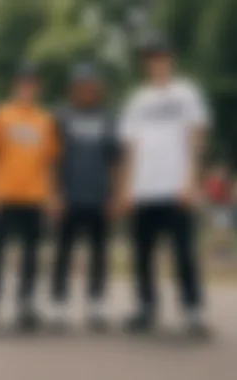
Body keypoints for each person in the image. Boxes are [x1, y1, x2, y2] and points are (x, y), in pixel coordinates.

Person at [119, 37, 210, 336]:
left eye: (162, 57)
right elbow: (130, 147)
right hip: (144, 189)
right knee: (142, 253)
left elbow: (196, 138)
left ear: (171, 60)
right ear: (146, 64)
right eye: (152, 58)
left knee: (183, 251)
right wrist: (126, 188)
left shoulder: (186, 94)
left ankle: (193, 310)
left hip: (176, 187)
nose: (157, 63)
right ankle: (146, 307)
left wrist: (191, 180)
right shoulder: (137, 99)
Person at [0, 63, 59, 332]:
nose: (26, 88)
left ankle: (26, 304)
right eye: (22, 83)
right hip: (3, 196)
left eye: (31, 83)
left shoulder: (45, 120)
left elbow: (49, 162)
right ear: (15, 86)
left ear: (37, 88)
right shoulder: (1, 116)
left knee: (31, 254)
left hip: (34, 197)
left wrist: (52, 196)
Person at [50, 63, 121, 330]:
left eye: (90, 86)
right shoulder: (60, 117)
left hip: (99, 197)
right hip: (68, 197)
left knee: (99, 253)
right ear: (72, 89)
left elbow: (115, 160)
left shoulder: (107, 118)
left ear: (97, 89)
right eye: (80, 86)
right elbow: (52, 160)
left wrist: (113, 195)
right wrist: (54, 194)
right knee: (63, 253)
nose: (86, 91)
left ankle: (96, 305)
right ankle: (58, 305)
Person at [204, 164, 233, 258]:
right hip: (218, 208)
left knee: (224, 230)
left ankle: (222, 250)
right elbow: (212, 196)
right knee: (218, 230)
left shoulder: (224, 183)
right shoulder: (215, 183)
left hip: (223, 208)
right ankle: (218, 251)